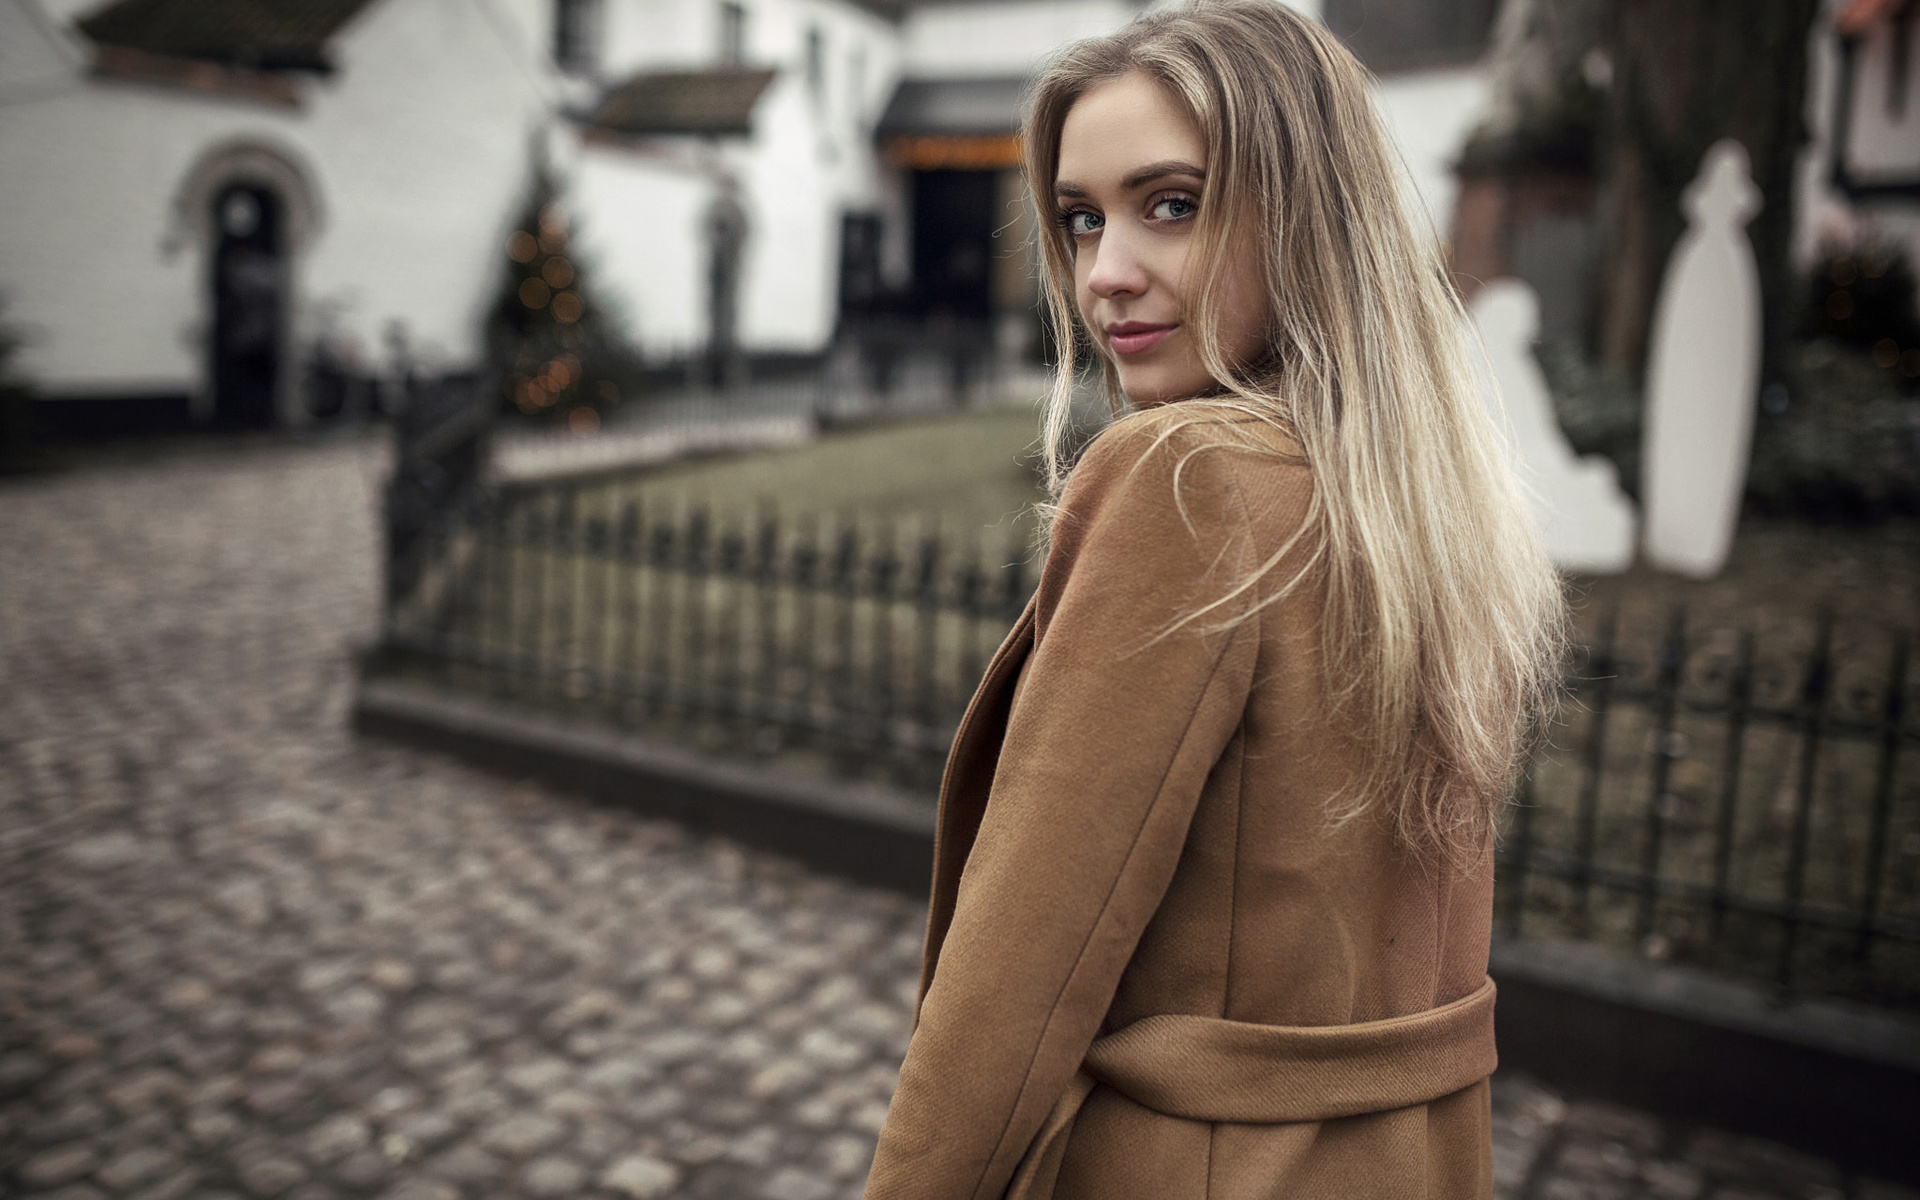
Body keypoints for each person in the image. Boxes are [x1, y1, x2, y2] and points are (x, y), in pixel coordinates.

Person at [863, 2, 1566, 1197]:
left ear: (1308, 211)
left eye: (1171, 205)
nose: (1104, 275)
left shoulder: (1187, 483)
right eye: (1081, 220)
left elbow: (1022, 970)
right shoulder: (1424, 502)